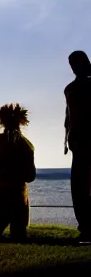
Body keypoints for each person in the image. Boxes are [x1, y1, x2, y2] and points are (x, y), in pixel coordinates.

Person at [0, 103, 36, 241]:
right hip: (18, 195)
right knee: (18, 236)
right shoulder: (26, 144)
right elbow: (30, 176)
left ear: (1, 122)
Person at [64, 50, 91, 242]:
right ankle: (85, 227)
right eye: (71, 65)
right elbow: (69, 116)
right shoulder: (70, 89)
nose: (73, 68)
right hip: (77, 143)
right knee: (78, 187)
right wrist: (66, 140)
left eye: (76, 63)